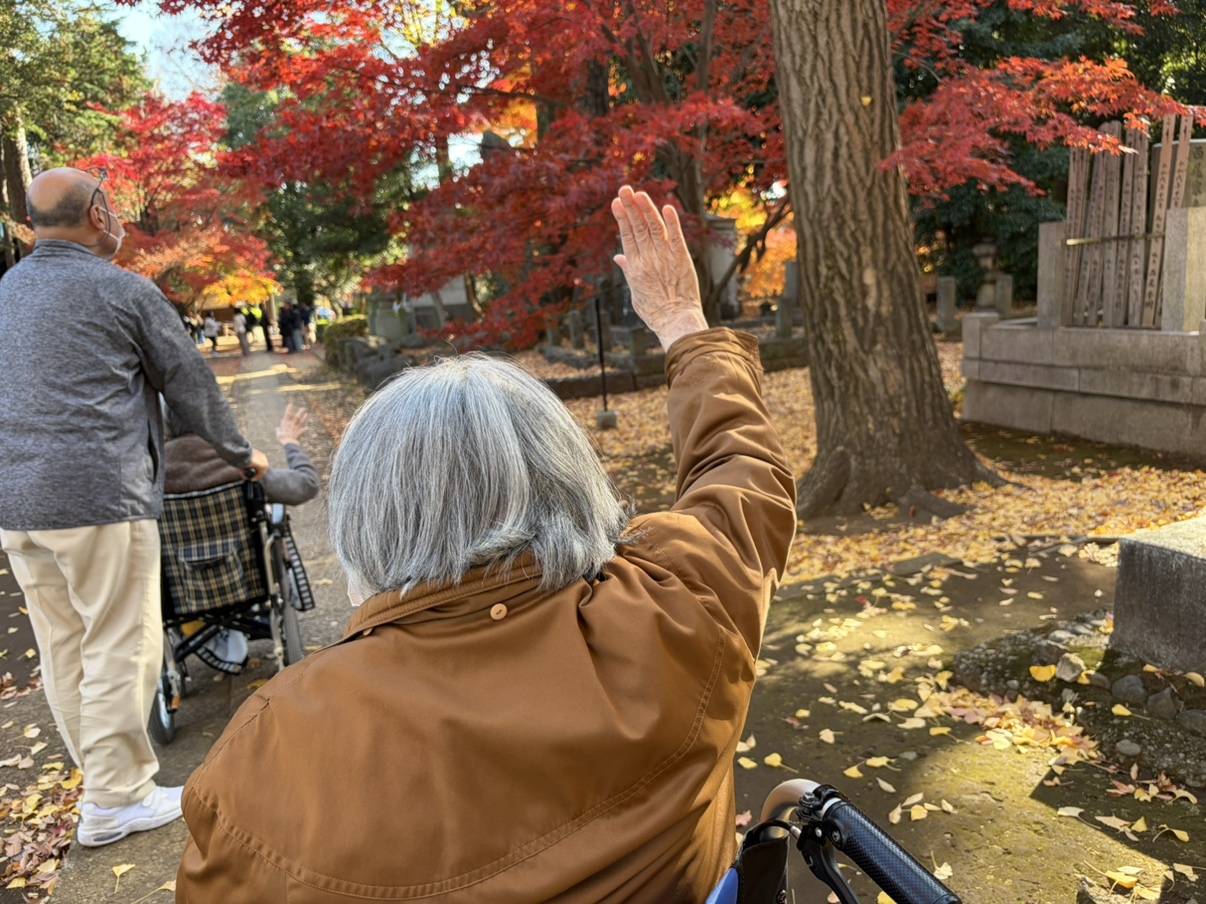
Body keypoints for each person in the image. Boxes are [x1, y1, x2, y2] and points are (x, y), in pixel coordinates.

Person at [175, 185, 796, 902]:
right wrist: (684, 325)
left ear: (368, 522)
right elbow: (744, 476)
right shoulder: (677, 612)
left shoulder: (267, 754)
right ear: (573, 485)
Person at [0, 167, 270, 849]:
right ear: (97, 213)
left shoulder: (6, 292)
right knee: (121, 640)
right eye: (111, 207)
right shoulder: (124, 291)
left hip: (17, 503)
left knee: (64, 647)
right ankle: (117, 799)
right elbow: (191, 387)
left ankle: (104, 788)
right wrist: (244, 454)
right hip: (98, 495)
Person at [163, 402, 320, 672]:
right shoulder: (241, 466)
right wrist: (290, 442)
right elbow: (305, 485)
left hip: (182, 593)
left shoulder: (147, 477)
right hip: (249, 582)